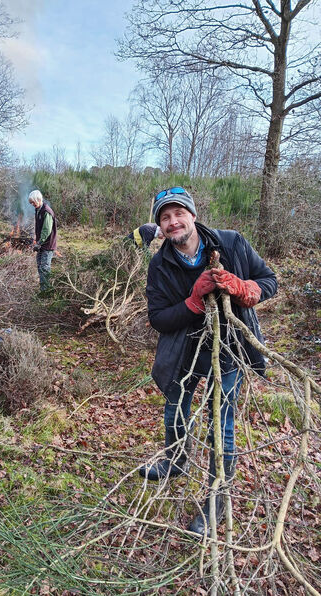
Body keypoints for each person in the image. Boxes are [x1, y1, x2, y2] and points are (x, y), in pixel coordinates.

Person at [139, 186, 277, 536]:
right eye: (165, 218)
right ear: (160, 225)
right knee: (175, 410)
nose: (173, 223)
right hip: (185, 350)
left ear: (193, 215)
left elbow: (269, 280)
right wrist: (193, 301)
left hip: (228, 350)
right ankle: (176, 460)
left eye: (178, 214)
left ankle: (217, 498)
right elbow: (158, 318)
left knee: (222, 424)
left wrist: (245, 289)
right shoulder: (160, 264)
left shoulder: (231, 244)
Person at [28, 190, 57, 291]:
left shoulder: (46, 211)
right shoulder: (38, 210)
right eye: (31, 202)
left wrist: (39, 243)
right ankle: (43, 289)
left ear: (39, 200)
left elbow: (46, 230)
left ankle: (47, 291)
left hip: (47, 245)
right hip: (41, 244)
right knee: (40, 266)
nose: (32, 204)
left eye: (33, 202)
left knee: (44, 268)